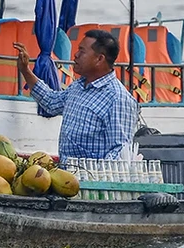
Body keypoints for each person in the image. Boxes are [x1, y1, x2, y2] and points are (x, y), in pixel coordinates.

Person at [16, 27, 140, 163]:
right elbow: (51, 103)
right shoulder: (79, 85)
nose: (76, 55)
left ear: (99, 59)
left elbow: (119, 152)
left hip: (90, 179)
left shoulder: (118, 98)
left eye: (82, 51)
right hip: (67, 175)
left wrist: (93, 179)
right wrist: (26, 71)